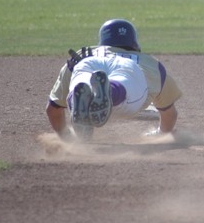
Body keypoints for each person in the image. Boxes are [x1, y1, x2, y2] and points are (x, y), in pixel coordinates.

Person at [45, 18, 182, 141]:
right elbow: (169, 113)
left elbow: (53, 109)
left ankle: (77, 99)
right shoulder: (150, 63)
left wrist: (66, 137)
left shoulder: (82, 54)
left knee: (81, 83)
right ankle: (110, 91)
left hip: (89, 62)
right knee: (125, 86)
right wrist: (162, 133)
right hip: (127, 66)